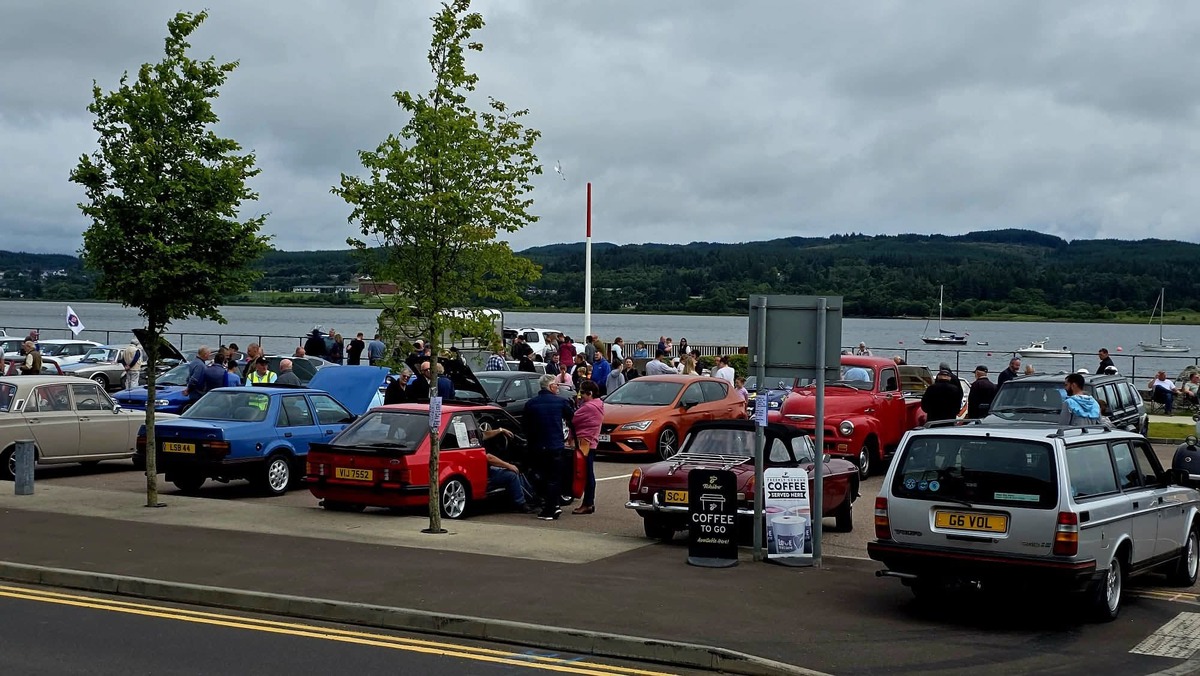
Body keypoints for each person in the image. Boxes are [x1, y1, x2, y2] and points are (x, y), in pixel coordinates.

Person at [523, 374, 575, 520]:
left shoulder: (531, 404)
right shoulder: (561, 402)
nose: (558, 388)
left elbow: (525, 426)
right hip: (555, 445)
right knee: (554, 477)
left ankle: (549, 506)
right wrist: (571, 438)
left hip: (538, 447)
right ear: (551, 387)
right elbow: (572, 419)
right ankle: (552, 507)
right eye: (556, 385)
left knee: (541, 477)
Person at [480, 427, 537, 513]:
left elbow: (484, 434)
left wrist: (500, 430)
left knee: (517, 470)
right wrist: (508, 465)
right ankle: (521, 503)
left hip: (487, 470)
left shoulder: (473, 435)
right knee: (512, 475)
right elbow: (488, 457)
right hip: (484, 475)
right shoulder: (471, 441)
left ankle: (532, 496)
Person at [571, 380, 604, 515]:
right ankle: (589, 502)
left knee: (586, 474)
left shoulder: (589, 407)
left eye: (582, 393)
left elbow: (573, 418)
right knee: (588, 473)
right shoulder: (598, 404)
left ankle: (588, 503)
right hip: (591, 442)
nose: (581, 395)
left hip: (585, 443)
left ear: (590, 393)